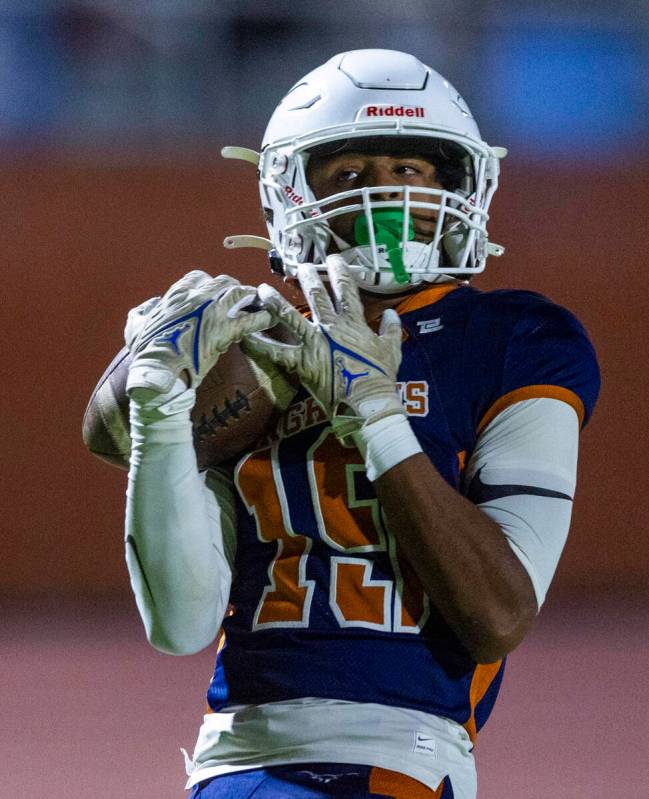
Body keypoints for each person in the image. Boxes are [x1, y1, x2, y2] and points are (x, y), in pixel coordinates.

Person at [121, 50, 600, 799]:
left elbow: (498, 612)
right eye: (349, 174)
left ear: (457, 184)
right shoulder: (251, 349)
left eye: (409, 169)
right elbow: (180, 626)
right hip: (232, 756)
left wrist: (376, 411)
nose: (384, 192)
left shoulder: (513, 338)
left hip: (395, 750)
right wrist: (157, 409)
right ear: (289, 195)